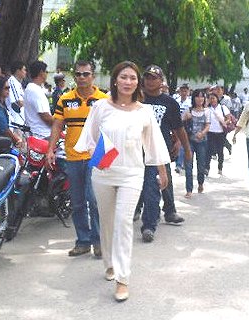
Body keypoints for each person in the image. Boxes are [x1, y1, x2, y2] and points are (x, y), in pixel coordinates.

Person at [74, 61, 170, 302]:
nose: (128, 82)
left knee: (123, 222)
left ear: (137, 83)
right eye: (124, 77)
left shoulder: (144, 111)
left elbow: (154, 144)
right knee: (106, 221)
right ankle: (109, 263)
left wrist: (162, 171)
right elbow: (90, 138)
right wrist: (101, 156)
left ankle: (122, 279)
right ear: (115, 80)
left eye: (133, 78)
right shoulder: (100, 107)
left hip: (132, 174)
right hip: (105, 172)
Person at [47, 61, 109, 257]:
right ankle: (83, 241)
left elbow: (111, 130)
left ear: (93, 76)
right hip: (72, 156)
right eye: (79, 74)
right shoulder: (65, 99)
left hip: (96, 158)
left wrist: (109, 158)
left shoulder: (104, 100)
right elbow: (57, 126)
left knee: (94, 199)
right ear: (75, 77)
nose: (82, 77)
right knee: (77, 202)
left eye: (86, 74)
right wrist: (51, 150)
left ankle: (98, 241)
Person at [134, 64, 191, 243]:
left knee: (158, 184)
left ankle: (154, 221)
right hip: (136, 150)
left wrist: (185, 148)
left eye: (154, 77)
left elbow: (179, 128)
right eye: (147, 77)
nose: (150, 81)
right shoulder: (136, 100)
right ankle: (151, 210)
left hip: (160, 150)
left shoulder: (170, 103)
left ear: (161, 81)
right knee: (148, 183)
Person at [182, 89, 211, 198]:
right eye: (198, 96)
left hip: (202, 141)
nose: (200, 99)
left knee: (201, 164)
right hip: (189, 141)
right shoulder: (188, 110)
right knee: (188, 165)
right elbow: (181, 122)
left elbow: (208, 125)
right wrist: (185, 117)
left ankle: (200, 183)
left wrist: (202, 133)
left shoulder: (207, 111)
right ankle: (189, 189)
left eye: (202, 97)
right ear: (194, 98)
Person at [24, 61, 53, 139]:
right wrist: (59, 123)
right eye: (46, 72)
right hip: (42, 135)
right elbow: (45, 116)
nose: (47, 74)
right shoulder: (35, 90)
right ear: (41, 73)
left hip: (38, 133)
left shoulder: (31, 88)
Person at [205, 92, 229, 176]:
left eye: (213, 98)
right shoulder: (207, 109)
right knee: (208, 151)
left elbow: (228, 118)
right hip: (210, 132)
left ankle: (220, 167)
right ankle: (206, 168)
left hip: (220, 132)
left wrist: (224, 123)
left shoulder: (223, 108)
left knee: (220, 151)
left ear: (217, 99)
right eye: (210, 98)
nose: (212, 100)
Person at [174, 83, 192, 174]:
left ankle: (181, 164)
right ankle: (179, 163)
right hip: (176, 125)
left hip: (186, 125)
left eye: (185, 90)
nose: (184, 92)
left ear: (188, 92)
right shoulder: (176, 101)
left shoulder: (190, 102)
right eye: (182, 90)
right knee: (178, 144)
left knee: (184, 144)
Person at [6, 61, 27, 125]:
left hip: (22, 120)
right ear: (18, 71)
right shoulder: (12, 82)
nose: (25, 72)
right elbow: (18, 102)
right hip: (16, 120)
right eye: (24, 70)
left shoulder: (18, 83)